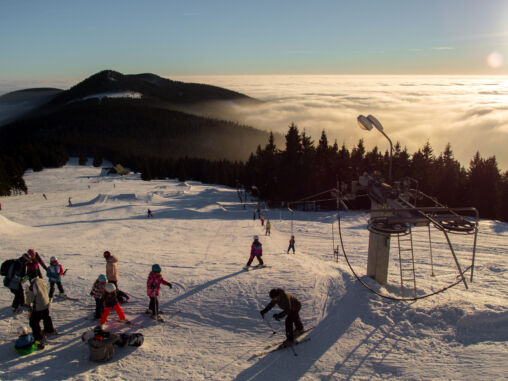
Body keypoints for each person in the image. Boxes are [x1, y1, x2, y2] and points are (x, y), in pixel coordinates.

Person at [24, 275, 56, 343]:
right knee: (46, 317)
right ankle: (49, 330)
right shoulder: (41, 280)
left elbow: (29, 300)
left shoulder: (33, 285)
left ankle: (38, 337)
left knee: (33, 322)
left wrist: (27, 293)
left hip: (38, 306)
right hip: (46, 303)